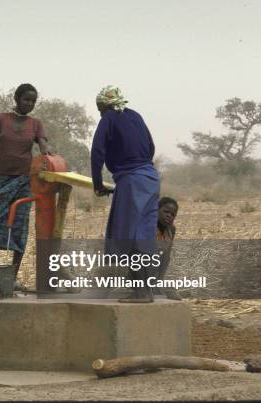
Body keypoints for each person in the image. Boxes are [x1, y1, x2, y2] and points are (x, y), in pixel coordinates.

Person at [0, 83, 50, 292]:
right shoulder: (1, 120)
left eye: (33, 101)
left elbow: (42, 145)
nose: (29, 104)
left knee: (20, 228)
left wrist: (47, 154)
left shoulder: (35, 124)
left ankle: (12, 278)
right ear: (16, 99)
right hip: (2, 180)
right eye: (26, 100)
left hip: (24, 182)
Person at [91, 85, 160, 303]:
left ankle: (142, 292)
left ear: (104, 105)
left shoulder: (108, 118)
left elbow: (97, 152)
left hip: (131, 181)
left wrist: (97, 184)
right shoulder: (136, 116)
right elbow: (150, 147)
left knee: (128, 235)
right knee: (143, 234)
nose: (100, 113)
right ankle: (143, 289)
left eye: (100, 108)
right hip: (150, 178)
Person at [154, 197, 182, 300]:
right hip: (136, 269)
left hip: (154, 272)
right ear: (156, 210)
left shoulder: (171, 229)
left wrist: (159, 280)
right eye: (165, 211)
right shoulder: (147, 226)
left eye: (172, 215)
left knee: (174, 295)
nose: (168, 216)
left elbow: (166, 257)